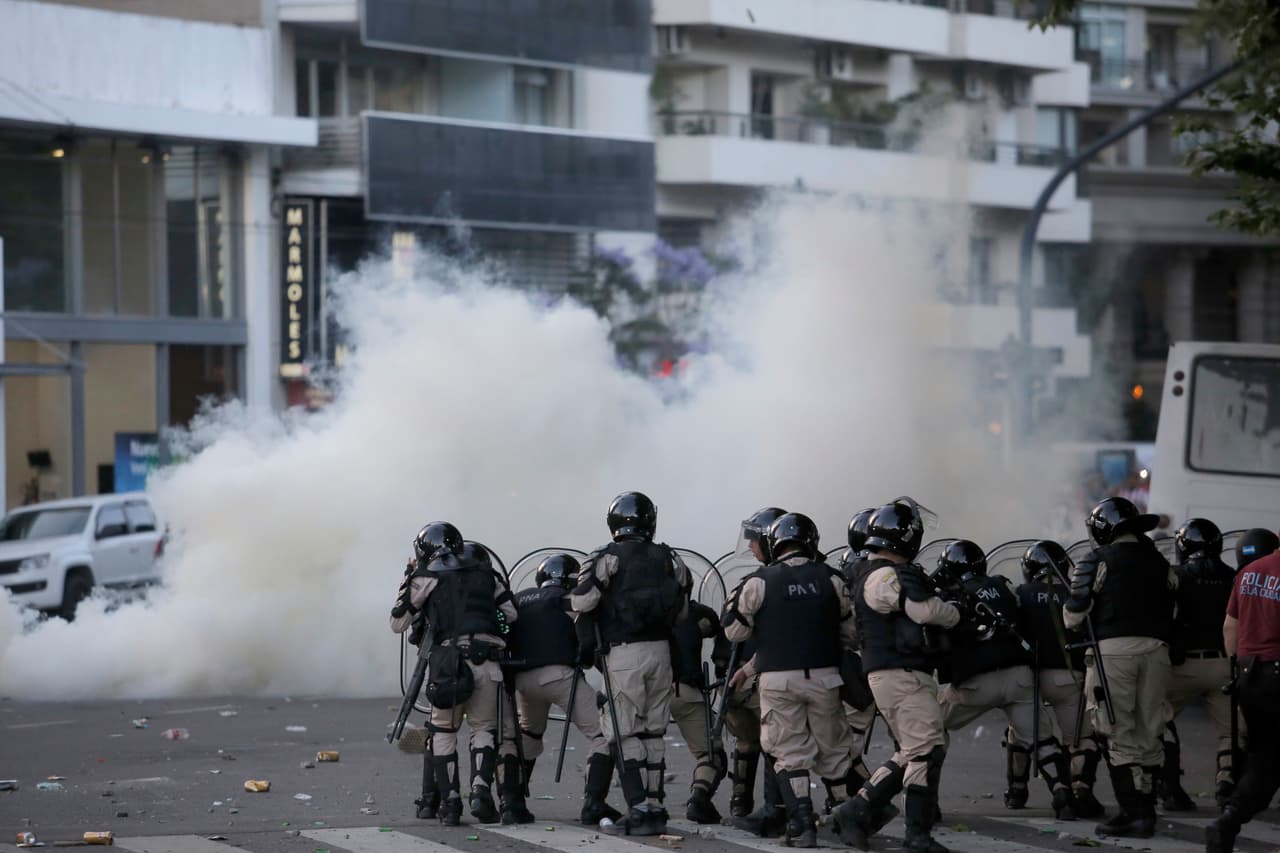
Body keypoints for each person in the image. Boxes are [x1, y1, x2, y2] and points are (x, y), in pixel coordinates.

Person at [722, 512, 859, 848]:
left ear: (774, 543)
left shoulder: (759, 581)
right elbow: (851, 631)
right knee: (835, 751)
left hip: (779, 682)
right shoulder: (832, 578)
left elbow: (734, 630)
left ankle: (802, 825)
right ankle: (848, 819)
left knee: (788, 752)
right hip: (825, 678)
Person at [833, 499, 961, 853]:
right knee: (925, 752)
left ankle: (856, 809)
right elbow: (923, 611)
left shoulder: (876, 572)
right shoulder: (883, 575)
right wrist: (953, 612)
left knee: (915, 750)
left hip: (899, 673)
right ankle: (916, 837)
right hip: (899, 673)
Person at [571, 491, 692, 836]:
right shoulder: (671, 559)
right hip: (662, 653)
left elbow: (582, 600)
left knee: (622, 731)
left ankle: (637, 806)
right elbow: (682, 611)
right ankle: (655, 806)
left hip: (624, 655)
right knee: (654, 730)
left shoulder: (607, 557)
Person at [391, 522, 523, 826]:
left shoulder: (426, 576)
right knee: (485, 729)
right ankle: (480, 791)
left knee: (443, 731)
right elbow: (512, 614)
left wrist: (408, 579)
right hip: (488, 663)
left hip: (450, 664)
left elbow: (398, 622)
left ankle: (450, 802)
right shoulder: (488, 574)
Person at [934, 540, 1076, 820]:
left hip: (976, 683)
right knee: (1042, 739)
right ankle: (1063, 795)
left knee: (930, 729)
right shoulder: (1005, 586)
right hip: (1019, 678)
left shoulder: (950, 596)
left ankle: (924, 801)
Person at [1064, 497, 1177, 839]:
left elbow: (1073, 617)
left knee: (1115, 729)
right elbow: (1174, 605)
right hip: (1158, 650)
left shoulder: (1096, 559)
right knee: (1150, 728)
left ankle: (1134, 812)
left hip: (1114, 652)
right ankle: (1148, 810)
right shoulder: (1160, 561)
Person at [506, 553, 623, 825]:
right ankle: (594, 803)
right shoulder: (566, 600)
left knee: (530, 735)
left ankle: (511, 802)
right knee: (604, 733)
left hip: (521, 679)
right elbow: (586, 641)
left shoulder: (519, 599)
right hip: (558, 676)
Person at [1007, 540, 1106, 819]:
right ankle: (1081, 790)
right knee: (1081, 738)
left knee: (1021, 733)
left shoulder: (1020, 594)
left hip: (1030, 678)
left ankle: (1017, 791)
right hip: (1068, 677)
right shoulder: (1075, 594)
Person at [1207, 527, 1280, 853]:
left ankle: (1229, 820)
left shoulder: (1250, 572)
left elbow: (1229, 627)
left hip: (1250, 675)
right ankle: (1229, 820)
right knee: (1268, 762)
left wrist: (1237, 669)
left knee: (1264, 757)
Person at [1160, 519, 1240, 811]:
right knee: (1231, 732)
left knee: (1159, 719)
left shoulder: (1175, 576)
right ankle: (1227, 785)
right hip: (1222, 663)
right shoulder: (1233, 577)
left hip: (1181, 666)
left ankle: (1170, 788)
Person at [723, 507, 788, 838]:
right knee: (754, 739)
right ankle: (746, 804)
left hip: (774, 675)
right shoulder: (772, 579)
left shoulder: (767, 581)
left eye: (755, 541)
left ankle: (775, 810)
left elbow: (733, 628)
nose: (750, 547)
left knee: (775, 742)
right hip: (757, 672)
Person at [668, 599, 729, 823]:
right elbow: (714, 624)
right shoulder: (691, 612)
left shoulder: (628, 605)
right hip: (685, 690)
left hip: (644, 689)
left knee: (636, 747)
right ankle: (699, 799)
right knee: (711, 754)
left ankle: (598, 798)